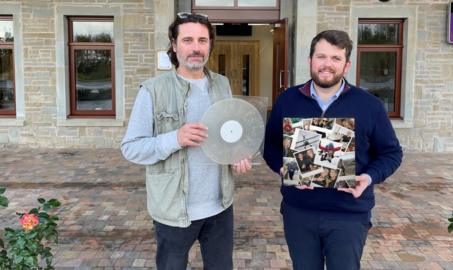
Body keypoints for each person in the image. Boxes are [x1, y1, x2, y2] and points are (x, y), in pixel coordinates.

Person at [121, 12, 251, 270]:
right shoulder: (152, 90)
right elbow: (131, 148)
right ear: (174, 44)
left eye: (202, 40)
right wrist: (175, 138)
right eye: (188, 40)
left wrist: (237, 152)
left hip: (219, 206)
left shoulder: (222, 84)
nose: (196, 48)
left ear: (210, 45)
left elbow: (228, 133)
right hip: (173, 210)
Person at [263, 30, 402, 270]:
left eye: (336, 58)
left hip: (349, 214)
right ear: (310, 61)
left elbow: (391, 154)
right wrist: (284, 170)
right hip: (299, 212)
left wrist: (368, 178)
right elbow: (271, 147)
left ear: (347, 65)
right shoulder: (287, 100)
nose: (327, 64)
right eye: (321, 57)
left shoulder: (369, 105)